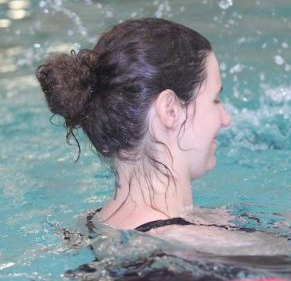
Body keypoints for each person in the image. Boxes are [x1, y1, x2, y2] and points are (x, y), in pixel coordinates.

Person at [36, 18, 266, 249]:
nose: (226, 119)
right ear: (170, 110)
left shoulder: (87, 226)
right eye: (215, 99)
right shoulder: (209, 247)